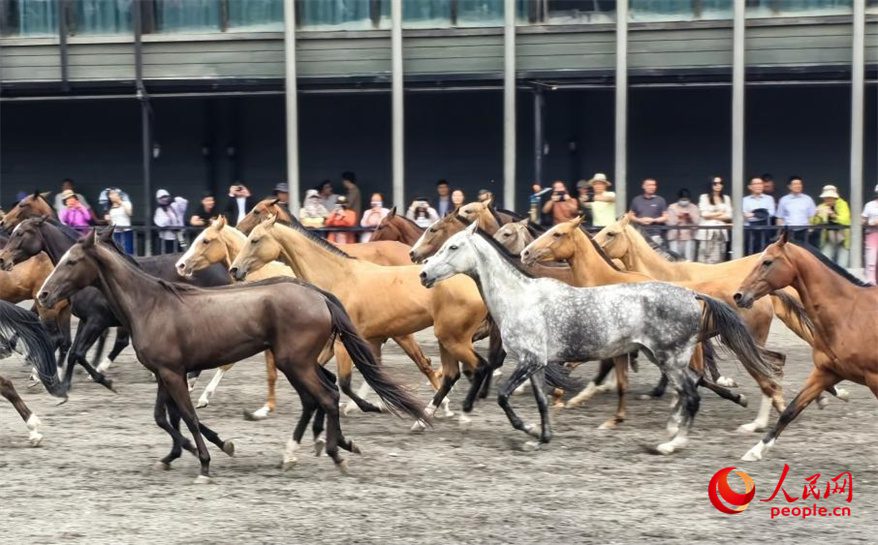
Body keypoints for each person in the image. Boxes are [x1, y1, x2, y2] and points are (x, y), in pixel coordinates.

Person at [810, 184, 850, 267]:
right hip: (828, 238)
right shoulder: (822, 206)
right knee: (825, 261)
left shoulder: (843, 204)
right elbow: (813, 223)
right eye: (825, 197)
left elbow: (845, 220)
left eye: (829, 197)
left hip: (843, 237)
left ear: (835, 197)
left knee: (842, 264)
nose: (827, 199)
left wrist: (832, 215)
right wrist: (816, 215)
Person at [696, 177, 733, 263]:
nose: (718, 185)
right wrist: (720, 213)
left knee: (719, 257)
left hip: (721, 232)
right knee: (704, 257)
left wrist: (712, 215)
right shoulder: (704, 197)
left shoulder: (726, 198)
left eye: (720, 183)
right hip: (707, 232)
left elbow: (729, 215)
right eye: (715, 183)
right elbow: (704, 214)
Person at [775, 176, 816, 243]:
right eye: (795, 184)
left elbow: (812, 216)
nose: (798, 186)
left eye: (799, 184)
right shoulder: (784, 200)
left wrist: (810, 230)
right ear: (789, 186)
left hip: (804, 231)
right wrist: (780, 232)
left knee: (803, 251)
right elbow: (779, 217)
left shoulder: (808, 199)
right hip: (788, 231)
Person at [628, 178, 668, 244]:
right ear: (643, 186)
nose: (652, 187)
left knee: (654, 253)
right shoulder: (636, 200)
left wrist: (653, 220)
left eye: (654, 185)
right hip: (639, 233)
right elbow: (630, 215)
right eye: (649, 185)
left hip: (655, 234)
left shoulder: (660, 200)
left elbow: (665, 217)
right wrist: (639, 220)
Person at [742, 176, 776, 254]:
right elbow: (744, 214)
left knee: (764, 253)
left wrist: (753, 214)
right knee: (750, 252)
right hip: (750, 229)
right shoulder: (745, 200)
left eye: (760, 183)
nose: (759, 186)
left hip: (765, 229)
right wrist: (761, 213)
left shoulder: (769, 199)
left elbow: (771, 213)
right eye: (756, 183)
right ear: (750, 187)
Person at [666, 189, 700, 261]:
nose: (684, 201)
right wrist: (679, 218)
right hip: (675, 237)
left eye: (686, 199)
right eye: (682, 199)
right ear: (679, 199)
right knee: (675, 260)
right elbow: (669, 223)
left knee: (689, 260)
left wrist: (690, 217)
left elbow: (697, 222)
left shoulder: (694, 207)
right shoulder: (672, 207)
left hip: (689, 237)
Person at [154, 189, 188, 254]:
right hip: (167, 238)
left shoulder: (174, 206)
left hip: (179, 236)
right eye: (162, 198)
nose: (164, 199)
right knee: (168, 254)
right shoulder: (159, 211)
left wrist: (174, 199)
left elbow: (184, 202)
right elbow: (161, 223)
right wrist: (171, 226)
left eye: (166, 197)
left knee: (182, 251)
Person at [103, 188, 134, 254]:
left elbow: (130, 213)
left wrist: (119, 201)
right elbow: (111, 224)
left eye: (113, 194)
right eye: (110, 194)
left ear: (118, 194)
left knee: (128, 251)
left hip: (126, 231)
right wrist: (108, 220)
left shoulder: (126, 203)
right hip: (116, 232)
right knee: (117, 251)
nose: (111, 196)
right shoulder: (110, 208)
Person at [861, 185, 878, 284]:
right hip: (872, 234)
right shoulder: (869, 205)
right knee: (871, 260)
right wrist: (870, 222)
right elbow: (862, 220)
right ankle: (871, 283)